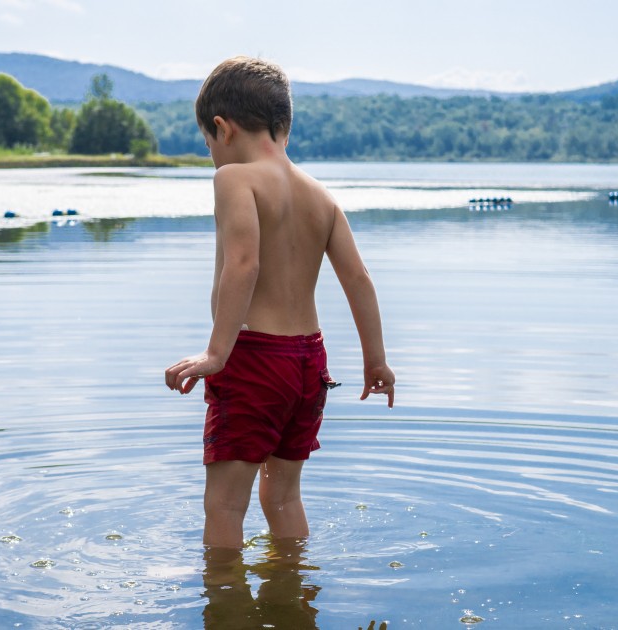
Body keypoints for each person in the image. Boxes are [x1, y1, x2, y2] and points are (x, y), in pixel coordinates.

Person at [164, 56, 395, 550]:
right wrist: (376, 360)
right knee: (283, 499)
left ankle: (224, 609)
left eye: (207, 143)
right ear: (283, 125)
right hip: (309, 363)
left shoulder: (234, 179)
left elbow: (243, 265)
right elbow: (359, 279)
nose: (212, 154)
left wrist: (216, 354)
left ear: (221, 129)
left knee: (225, 504)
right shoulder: (321, 196)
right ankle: (293, 593)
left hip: (252, 360)